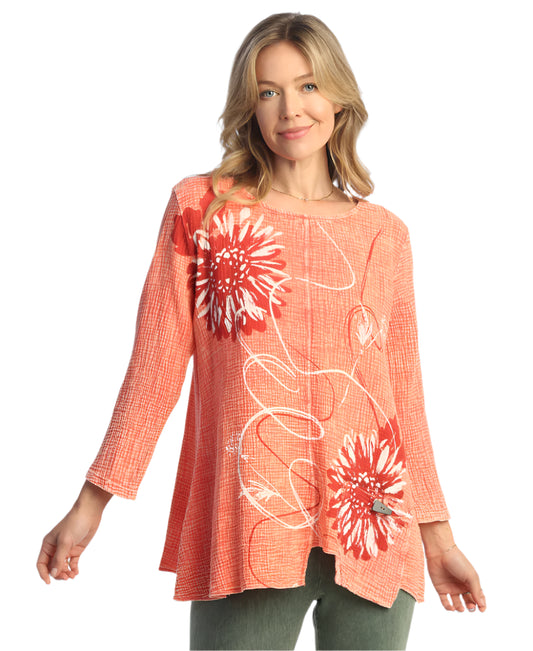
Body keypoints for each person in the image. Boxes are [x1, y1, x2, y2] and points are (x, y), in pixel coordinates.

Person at [37, 12, 486, 651]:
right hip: (251, 519)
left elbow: (404, 398)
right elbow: (155, 368)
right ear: (249, 106)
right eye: (268, 91)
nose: (289, 109)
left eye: (308, 86)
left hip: (376, 527)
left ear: (339, 98)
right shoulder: (204, 208)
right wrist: (91, 505)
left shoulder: (384, 234)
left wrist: (438, 540)